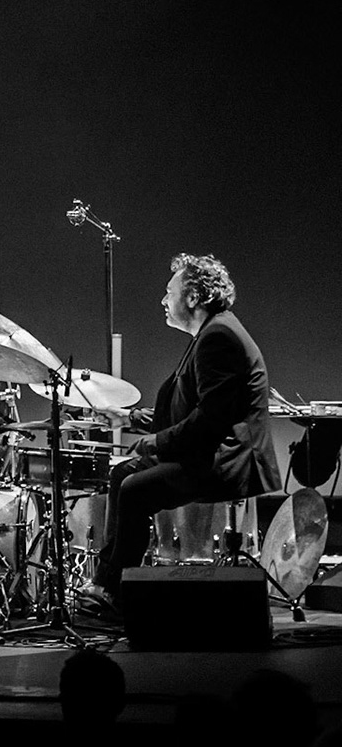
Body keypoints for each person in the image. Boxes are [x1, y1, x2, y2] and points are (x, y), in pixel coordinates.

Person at [81, 254, 279, 614]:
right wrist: (129, 418)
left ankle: (112, 589)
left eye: (169, 292)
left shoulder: (218, 336)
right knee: (123, 472)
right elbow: (186, 411)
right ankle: (111, 584)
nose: (163, 300)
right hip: (209, 451)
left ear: (193, 297)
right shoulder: (212, 332)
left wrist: (155, 441)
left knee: (134, 489)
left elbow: (210, 421)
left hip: (226, 461)